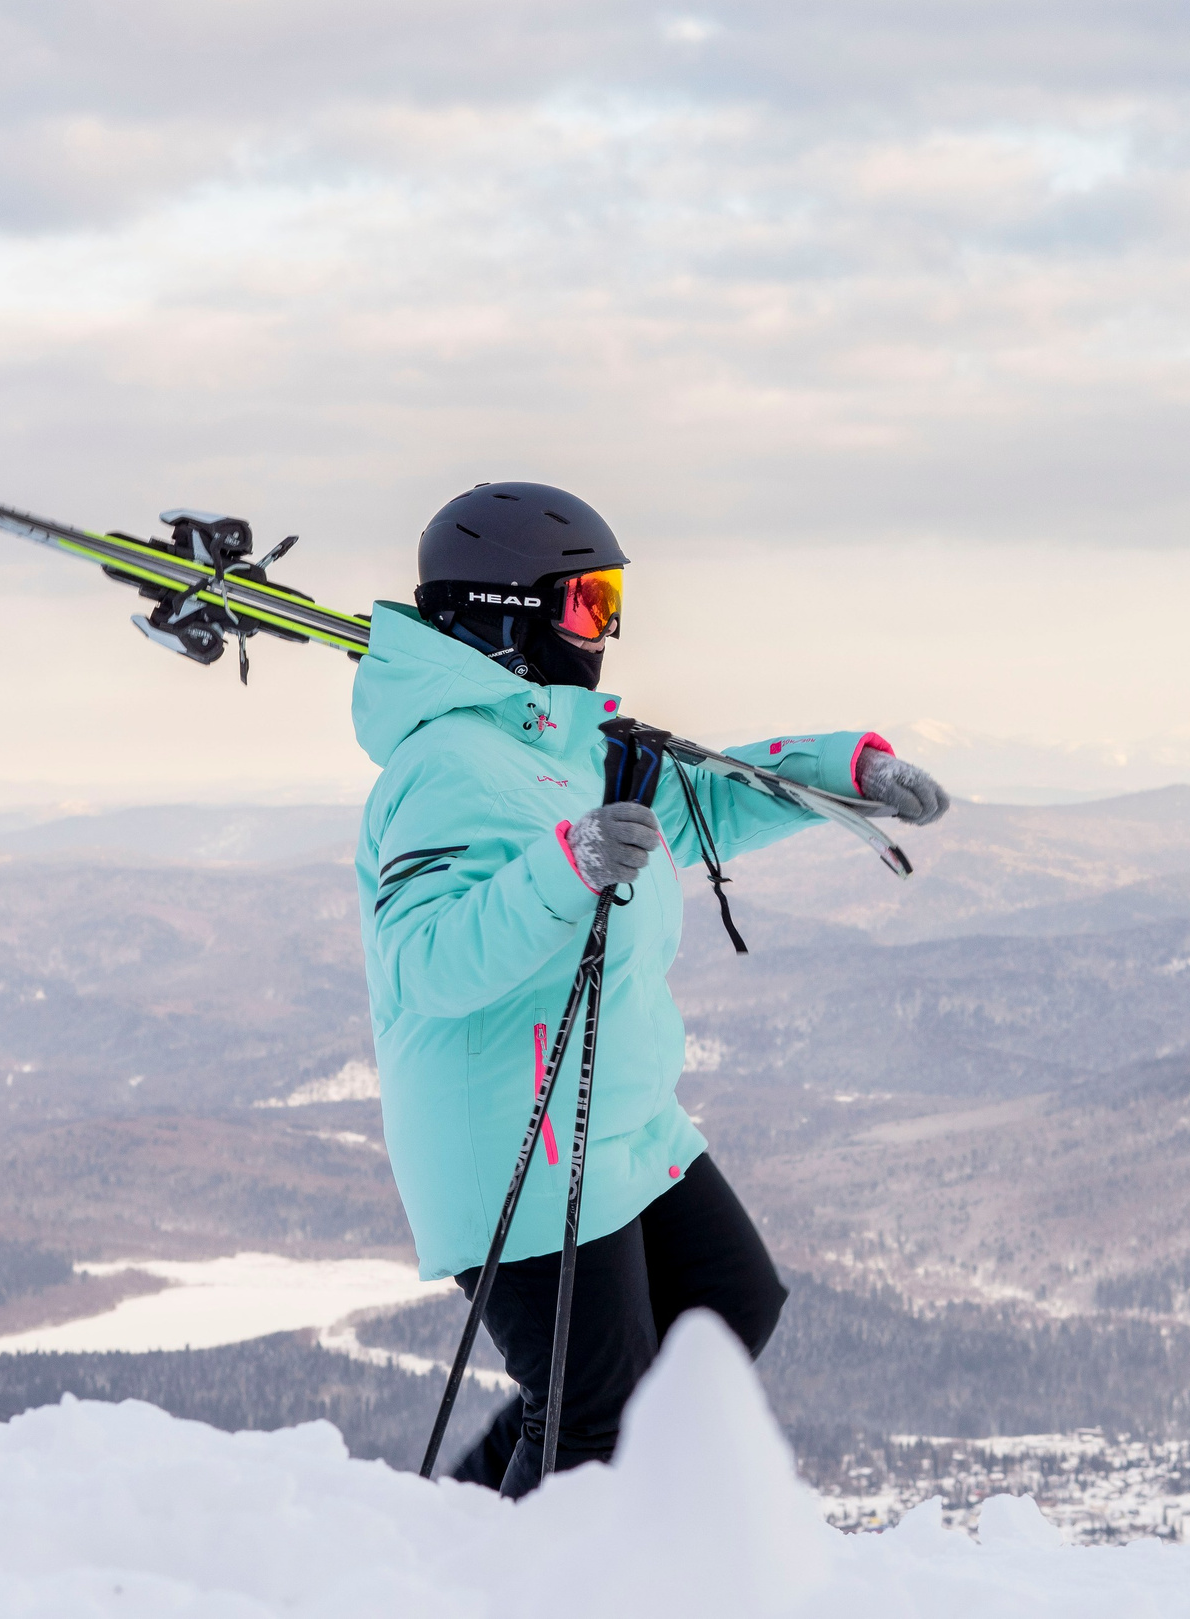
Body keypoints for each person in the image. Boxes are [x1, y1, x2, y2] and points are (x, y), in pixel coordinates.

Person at [350, 482, 949, 1497]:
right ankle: (514, 1579)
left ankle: (458, 1526)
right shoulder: (444, 767)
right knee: (594, 1419)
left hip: (618, 1115)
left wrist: (843, 774)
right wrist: (568, 862)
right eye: (587, 603)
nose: (605, 630)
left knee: (724, 1306)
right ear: (510, 612)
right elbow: (425, 963)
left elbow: (698, 792)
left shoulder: (559, 745)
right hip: (516, 1139)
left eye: (609, 601)